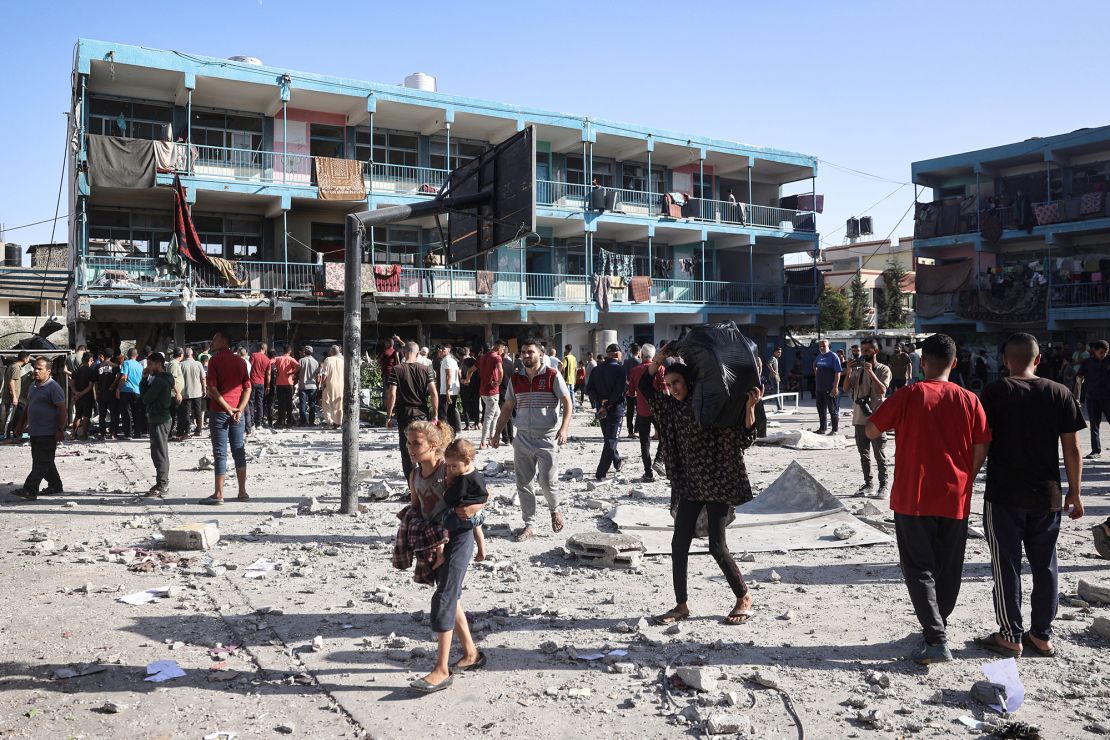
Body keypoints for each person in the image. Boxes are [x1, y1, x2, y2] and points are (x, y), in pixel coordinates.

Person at [866, 333, 991, 664]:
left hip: (913, 496)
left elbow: (871, 431)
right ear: (954, 362)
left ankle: (935, 638)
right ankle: (938, 625)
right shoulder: (970, 399)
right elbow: (982, 446)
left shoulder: (909, 394)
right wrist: (967, 475)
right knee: (949, 568)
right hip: (955, 497)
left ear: (923, 362)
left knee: (919, 567)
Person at [974, 333, 1085, 659]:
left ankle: (1010, 635)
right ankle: (1042, 636)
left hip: (1004, 495)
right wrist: (1075, 494)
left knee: (1006, 565)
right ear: (1038, 359)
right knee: (1045, 566)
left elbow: (982, 444)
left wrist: (966, 482)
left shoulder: (995, 392)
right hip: (1047, 495)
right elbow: (1073, 448)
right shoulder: (1060, 392)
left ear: (1005, 361)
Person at [640, 353, 763, 626]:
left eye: (677, 382)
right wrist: (658, 359)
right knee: (678, 544)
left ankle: (744, 597)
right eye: (669, 384)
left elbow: (743, 438)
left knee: (716, 547)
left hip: (718, 482)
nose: (673, 388)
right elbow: (645, 386)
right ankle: (681, 605)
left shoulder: (708, 405)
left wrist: (751, 407)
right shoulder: (671, 408)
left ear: (688, 381)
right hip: (690, 485)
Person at [400, 420, 485, 693]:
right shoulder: (415, 476)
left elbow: (478, 493)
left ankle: (441, 669)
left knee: (444, 597)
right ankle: (471, 654)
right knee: (451, 595)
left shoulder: (448, 470)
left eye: (417, 443)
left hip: (457, 539)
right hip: (433, 541)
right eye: (409, 442)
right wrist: (413, 540)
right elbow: (417, 508)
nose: (411, 448)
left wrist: (477, 513)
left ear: (433, 445)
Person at [491, 338, 572, 541]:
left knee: (547, 481)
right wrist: (497, 432)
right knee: (523, 483)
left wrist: (564, 428)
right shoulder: (515, 379)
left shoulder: (552, 375)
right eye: (524, 352)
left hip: (547, 437)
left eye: (531, 352)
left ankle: (554, 509)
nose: (527, 355)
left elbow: (567, 402)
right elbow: (508, 407)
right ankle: (530, 524)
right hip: (523, 438)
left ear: (541, 354)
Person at [198, 332, 251, 505]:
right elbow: (247, 388)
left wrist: (227, 408)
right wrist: (239, 409)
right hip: (238, 413)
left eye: (215, 339)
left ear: (224, 341)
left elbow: (212, 388)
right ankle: (242, 492)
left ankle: (219, 494)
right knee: (238, 450)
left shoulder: (214, 360)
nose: (212, 342)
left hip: (220, 412)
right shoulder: (241, 362)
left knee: (220, 452)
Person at [11, 357, 66, 498]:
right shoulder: (33, 386)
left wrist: (60, 430)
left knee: (41, 462)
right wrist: (20, 424)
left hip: (48, 432)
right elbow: (29, 406)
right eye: (35, 368)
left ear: (48, 371)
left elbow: (62, 409)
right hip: (35, 431)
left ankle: (30, 489)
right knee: (43, 460)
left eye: (39, 368)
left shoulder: (54, 387)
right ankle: (55, 485)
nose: (36, 371)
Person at [385, 342, 438, 479]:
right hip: (422, 414)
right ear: (418, 353)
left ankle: (412, 488)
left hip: (405, 414)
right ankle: (425, 484)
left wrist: (389, 416)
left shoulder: (397, 370)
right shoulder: (426, 369)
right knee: (423, 447)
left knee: (407, 451)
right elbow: (433, 393)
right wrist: (435, 415)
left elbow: (392, 394)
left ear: (403, 352)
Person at [432, 438, 488, 567]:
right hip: (478, 514)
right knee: (477, 528)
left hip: (466, 515)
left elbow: (451, 498)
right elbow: (484, 494)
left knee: (441, 523)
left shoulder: (463, 480)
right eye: (449, 466)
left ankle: (440, 553)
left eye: (454, 466)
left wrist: (448, 488)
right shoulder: (477, 475)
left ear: (467, 461)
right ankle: (481, 550)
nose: (451, 469)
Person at [847, 337, 891, 498]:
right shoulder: (858, 370)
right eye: (862, 350)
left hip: (876, 420)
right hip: (859, 418)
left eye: (867, 350)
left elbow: (882, 391)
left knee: (880, 455)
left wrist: (871, 372)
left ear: (876, 351)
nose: (863, 353)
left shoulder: (883, 369)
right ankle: (868, 484)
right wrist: (849, 372)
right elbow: (846, 387)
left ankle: (883, 486)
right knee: (864, 454)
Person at [587, 344, 628, 480]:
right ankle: (601, 472)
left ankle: (617, 462)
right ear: (617, 354)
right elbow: (618, 391)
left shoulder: (597, 369)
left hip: (601, 408)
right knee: (611, 439)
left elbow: (590, 390)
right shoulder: (620, 370)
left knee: (608, 438)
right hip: (615, 409)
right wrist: (608, 403)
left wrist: (601, 402)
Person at [141, 352, 177, 497]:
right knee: (157, 453)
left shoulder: (160, 381)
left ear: (158, 364)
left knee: (160, 453)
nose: (148, 367)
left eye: (150, 364)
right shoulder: (158, 379)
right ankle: (160, 482)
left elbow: (146, 398)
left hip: (160, 419)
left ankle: (163, 484)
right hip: (157, 418)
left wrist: (144, 381)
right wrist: (145, 379)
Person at [628, 344, 664, 482]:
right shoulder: (661, 369)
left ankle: (648, 473)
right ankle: (659, 460)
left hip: (642, 411)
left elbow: (631, 393)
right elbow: (666, 390)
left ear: (641, 355)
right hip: (658, 410)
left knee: (644, 443)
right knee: (665, 437)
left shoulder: (635, 370)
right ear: (654, 356)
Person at [1076, 340, 1110, 459]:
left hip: (1108, 398)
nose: (1103, 354)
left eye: (1106, 352)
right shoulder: (1087, 363)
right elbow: (1079, 378)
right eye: (1101, 352)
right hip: (1092, 398)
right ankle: (1095, 450)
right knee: (1094, 425)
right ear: (1094, 351)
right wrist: (1078, 397)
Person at [477, 342, 503, 450]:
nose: (502, 352)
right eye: (503, 349)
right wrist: (499, 382)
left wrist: (468, 378)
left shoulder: (483, 357)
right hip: (492, 391)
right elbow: (500, 370)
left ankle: (491, 437)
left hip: (483, 390)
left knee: (497, 413)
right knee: (489, 417)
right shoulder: (496, 357)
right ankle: (483, 442)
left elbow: (471, 370)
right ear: (499, 348)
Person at [813, 339, 842, 435]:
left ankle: (834, 430)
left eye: (824, 346)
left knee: (832, 410)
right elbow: (815, 365)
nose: (822, 347)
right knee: (821, 410)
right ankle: (822, 429)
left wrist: (835, 387)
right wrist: (816, 372)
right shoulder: (819, 356)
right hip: (819, 388)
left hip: (830, 388)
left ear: (828, 346)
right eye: (820, 346)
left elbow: (838, 373)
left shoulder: (833, 357)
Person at [116, 348, 145, 439]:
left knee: (127, 413)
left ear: (127, 355)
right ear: (137, 356)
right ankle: (137, 433)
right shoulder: (140, 365)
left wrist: (118, 389)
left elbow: (124, 377)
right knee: (137, 412)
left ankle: (128, 434)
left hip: (126, 391)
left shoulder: (126, 363)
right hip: (137, 392)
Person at [177, 348, 206, 439]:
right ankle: (199, 430)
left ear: (184, 355)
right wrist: (204, 389)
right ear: (192, 354)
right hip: (197, 391)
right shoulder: (198, 364)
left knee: (186, 412)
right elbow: (203, 378)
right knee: (198, 411)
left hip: (185, 392)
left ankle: (187, 430)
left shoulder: (180, 365)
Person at [68, 351, 97, 440]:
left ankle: (73, 434)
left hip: (78, 397)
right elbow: (90, 386)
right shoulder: (91, 371)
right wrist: (81, 394)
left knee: (78, 415)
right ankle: (84, 434)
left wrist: (76, 393)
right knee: (86, 416)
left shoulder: (76, 371)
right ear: (90, 360)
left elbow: (71, 384)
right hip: (87, 397)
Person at [2, 351, 30, 441]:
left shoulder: (13, 366)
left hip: (12, 397)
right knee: (9, 418)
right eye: (28, 358)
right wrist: (14, 397)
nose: (29, 360)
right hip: (11, 398)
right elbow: (12, 382)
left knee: (14, 416)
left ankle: (14, 434)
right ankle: (7, 437)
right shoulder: (16, 368)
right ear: (25, 358)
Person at [435, 344, 461, 433]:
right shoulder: (453, 360)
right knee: (451, 412)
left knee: (443, 414)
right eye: (440, 349)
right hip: (453, 389)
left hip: (446, 391)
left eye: (443, 349)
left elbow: (449, 376)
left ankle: (444, 434)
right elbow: (458, 372)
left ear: (448, 350)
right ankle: (452, 433)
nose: (441, 350)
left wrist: (447, 391)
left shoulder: (447, 360)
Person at [95, 349, 120, 440]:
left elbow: (96, 382)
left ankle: (102, 434)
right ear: (112, 356)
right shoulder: (115, 367)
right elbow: (119, 378)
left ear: (103, 355)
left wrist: (96, 393)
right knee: (114, 414)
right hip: (112, 394)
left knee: (102, 415)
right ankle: (113, 433)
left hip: (101, 393)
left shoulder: (98, 366)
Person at [272, 345, 298, 428]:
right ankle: (289, 421)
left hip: (279, 383)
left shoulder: (278, 358)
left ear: (283, 351)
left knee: (280, 403)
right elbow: (298, 366)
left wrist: (275, 372)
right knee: (289, 403)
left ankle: (280, 421)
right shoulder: (291, 359)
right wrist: (292, 373)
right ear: (290, 351)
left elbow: (269, 363)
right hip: (289, 383)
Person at [318, 345, 344, 427]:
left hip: (329, 384)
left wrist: (322, 384)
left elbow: (324, 374)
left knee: (326, 403)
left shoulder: (328, 359)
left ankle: (330, 421)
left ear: (332, 351)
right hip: (341, 385)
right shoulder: (342, 361)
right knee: (339, 404)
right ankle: (338, 422)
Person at [249, 342, 272, 432]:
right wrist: (268, 385)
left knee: (251, 402)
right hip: (261, 383)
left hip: (252, 381)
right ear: (265, 349)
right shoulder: (267, 360)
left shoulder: (254, 355)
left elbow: (249, 367)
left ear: (259, 348)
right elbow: (268, 374)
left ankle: (251, 423)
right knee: (260, 403)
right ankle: (258, 423)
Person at [297, 346, 320, 427]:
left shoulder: (301, 361)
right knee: (312, 404)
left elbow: (296, 370)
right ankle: (311, 422)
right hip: (313, 386)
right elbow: (317, 376)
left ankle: (303, 422)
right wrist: (318, 385)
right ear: (312, 352)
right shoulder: (316, 362)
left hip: (303, 386)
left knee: (302, 404)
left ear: (304, 352)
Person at [459, 347, 480, 431]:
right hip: (475, 386)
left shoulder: (462, 362)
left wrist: (462, 380)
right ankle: (476, 424)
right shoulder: (475, 361)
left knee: (466, 405)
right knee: (476, 405)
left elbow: (460, 372)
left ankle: (467, 425)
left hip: (465, 385)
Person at [623, 343, 641, 438]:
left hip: (628, 390)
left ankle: (630, 431)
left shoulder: (626, 362)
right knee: (639, 410)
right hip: (638, 391)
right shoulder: (640, 362)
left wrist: (630, 386)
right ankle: (637, 430)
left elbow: (624, 377)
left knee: (629, 411)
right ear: (638, 352)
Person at [500, 347, 517, 445]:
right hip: (511, 388)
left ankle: (505, 437)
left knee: (503, 414)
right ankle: (511, 437)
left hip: (502, 389)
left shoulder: (499, 363)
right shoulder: (511, 363)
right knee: (509, 414)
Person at [559, 344, 578, 410]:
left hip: (566, 379)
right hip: (572, 379)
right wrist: (575, 378)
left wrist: (560, 376)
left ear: (566, 349)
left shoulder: (566, 358)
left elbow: (563, 368)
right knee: (572, 394)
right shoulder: (574, 358)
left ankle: (567, 408)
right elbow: (576, 369)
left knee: (566, 394)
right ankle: (573, 408)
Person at [766, 347, 783, 412]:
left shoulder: (775, 358)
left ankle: (779, 407)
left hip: (776, 376)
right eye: (778, 352)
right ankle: (779, 408)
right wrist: (772, 371)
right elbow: (768, 364)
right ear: (774, 352)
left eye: (780, 352)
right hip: (774, 377)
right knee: (776, 393)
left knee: (776, 392)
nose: (779, 354)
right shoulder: (773, 358)